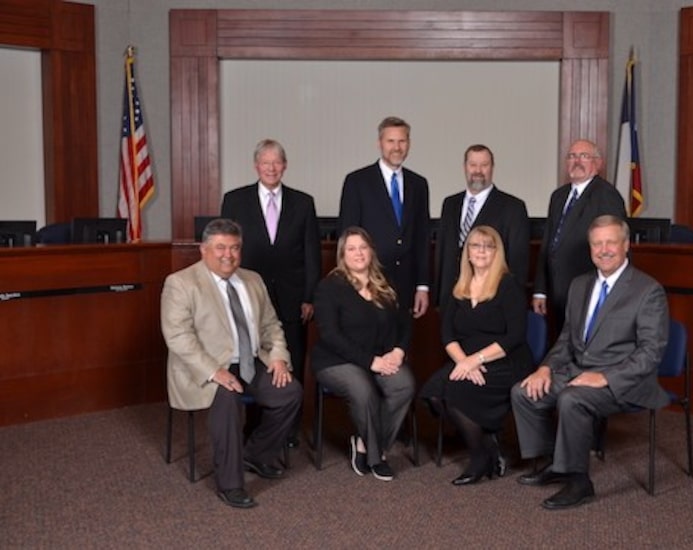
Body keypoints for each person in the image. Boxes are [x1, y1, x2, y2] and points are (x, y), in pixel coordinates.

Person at [511, 215, 669, 510]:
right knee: (523, 392)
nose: (603, 249)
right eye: (597, 243)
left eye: (611, 242)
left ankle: (579, 481)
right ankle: (556, 462)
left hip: (623, 380)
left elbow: (651, 352)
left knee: (573, 399)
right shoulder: (580, 285)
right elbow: (567, 338)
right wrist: (545, 367)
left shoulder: (648, 291)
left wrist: (605, 377)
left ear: (626, 245)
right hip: (577, 371)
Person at [161, 218, 302, 509]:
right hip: (206, 368)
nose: (229, 255)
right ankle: (231, 484)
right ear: (204, 250)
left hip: (250, 361)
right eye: (221, 247)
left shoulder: (252, 279)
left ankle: (256, 454)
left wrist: (278, 357)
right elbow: (178, 337)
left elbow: (272, 326)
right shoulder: (181, 283)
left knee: (290, 392)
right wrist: (214, 371)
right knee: (227, 400)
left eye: (235, 248)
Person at [221, 138, 321, 447]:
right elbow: (225, 251)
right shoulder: (234, 200)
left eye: (277, 162)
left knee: (290, 359)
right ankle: (253, 429)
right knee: (252, 361)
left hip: (293, 299)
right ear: (256, 166)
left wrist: (309, 296)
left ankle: (288, 431)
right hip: (248, 297)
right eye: (266, 162)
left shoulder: (303, 202)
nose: (271, 168)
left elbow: (311, 253)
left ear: (285, 166)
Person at [421, 225, 533, 485]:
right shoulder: (458, 286)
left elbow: (514, 336)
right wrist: (464, 361)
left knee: (456, 392)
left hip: (505, 360)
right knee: (434, 393)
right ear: (467, 252)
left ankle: (479, 458)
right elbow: (447, 334)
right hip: (467, 360)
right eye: (475, 245)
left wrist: (476, 360)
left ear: (497, 252)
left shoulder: (509, 285)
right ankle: (490, 443)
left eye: (488, 246)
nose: (481, 251)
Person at [310, 226, 416, 481]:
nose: (358, 253)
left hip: (384, 356)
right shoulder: (330, 287)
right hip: (337, 360)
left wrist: (399, 351)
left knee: (404, 385)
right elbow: (331, 336)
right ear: (342, 254)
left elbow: (405, 322)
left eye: (363, 248)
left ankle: (366, 444)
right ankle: (376, 457)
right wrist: (371, 362)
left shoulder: (386, 281)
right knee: (363, 389)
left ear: (371, 251)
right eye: (351, 249)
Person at [338, 116, 431, 318]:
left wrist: (422, 286)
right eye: (391, 141)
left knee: (402, 346)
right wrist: (354, 283)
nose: (396, 147)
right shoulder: (357, 182)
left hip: (406, 287)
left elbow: (422, 238)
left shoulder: (419, 184)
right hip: (368, 284)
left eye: (402, 141)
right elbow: (348, 236)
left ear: (409, 144)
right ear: (379, 143)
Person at [532, 139, 626, 336]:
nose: (577, 161)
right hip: (556, 292)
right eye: (572, 156)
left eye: (584, 156)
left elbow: (612, 248)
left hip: (587, 291)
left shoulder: (606, 195)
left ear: (598, 163)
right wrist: (540, 290)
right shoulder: (558, 196)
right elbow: (548, 244)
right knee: (560, 347)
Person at [434, 144, 530, 309]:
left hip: (491, 299)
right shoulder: (450, 204)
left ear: (492, 168)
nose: (478, 171)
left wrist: (512, 301)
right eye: (473, 165)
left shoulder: (512, 207)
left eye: (484, 165)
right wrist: (438, 296)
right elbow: (442, 252)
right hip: (450, 297)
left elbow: (517, 260)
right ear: (465, 167)